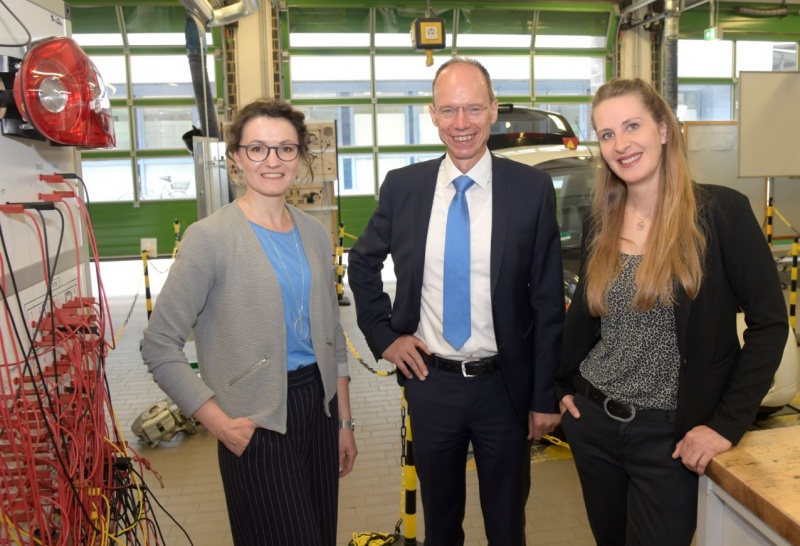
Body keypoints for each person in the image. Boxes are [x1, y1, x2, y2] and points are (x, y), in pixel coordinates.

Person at [555, 78, 788, 546]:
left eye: (632, 126)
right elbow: (585, 319)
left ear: (663, 128)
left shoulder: (720, 213)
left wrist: (725, 425)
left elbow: (770, 325)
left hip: (670, 438)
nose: (620, 144)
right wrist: (562, 388)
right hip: (594, 426)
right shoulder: (602, 218)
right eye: (607, 134)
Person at [347, 57, 565, 545]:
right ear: (433, 114)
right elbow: (361, 263)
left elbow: (548, 301)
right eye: (449, 110)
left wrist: (543, 395)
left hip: (505, 388)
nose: (461, 123)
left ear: (493, 111)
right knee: (441, 526)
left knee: (507, 526)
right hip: (432, 383)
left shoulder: (530, 189)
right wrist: (384, 337)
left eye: (473, 109)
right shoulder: (404, 187)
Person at [141, 98, 357, 546]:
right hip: (255, 419)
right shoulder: (210, 239)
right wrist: (219, 424)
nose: (272, 161)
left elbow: (332, 336)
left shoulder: (314, 234)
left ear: (300, 156)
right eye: (257, 148)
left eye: (286, 148)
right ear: (236, 158)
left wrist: (343, 423)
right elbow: (159, 345)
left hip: (318, 407)